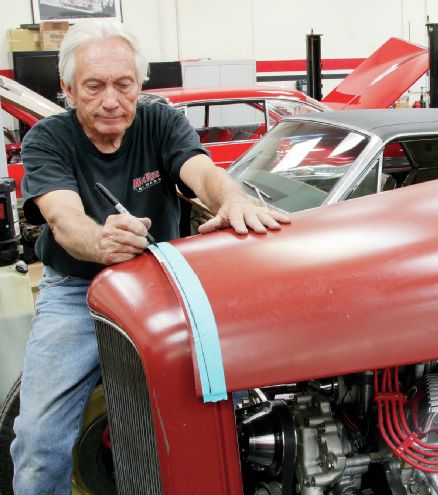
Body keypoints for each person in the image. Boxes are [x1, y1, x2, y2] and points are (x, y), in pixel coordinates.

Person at [10, 20, 289, 494]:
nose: (112, 100)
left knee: (221, 412)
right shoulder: (48, 140)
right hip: (76, 290)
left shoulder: (160, 121)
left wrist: (233, 200)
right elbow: (64, 219)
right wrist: (101, 241)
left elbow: (202, 172)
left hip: (163, 280)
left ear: (140, 85)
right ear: (68, 89)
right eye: (94, 86)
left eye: (124, 85)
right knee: (38, 441)